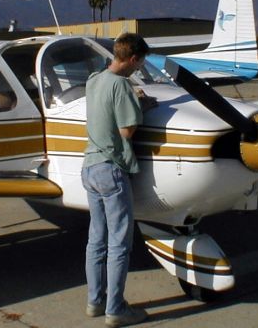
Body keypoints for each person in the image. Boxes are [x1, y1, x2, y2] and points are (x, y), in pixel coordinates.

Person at [81, 33, 155, 327]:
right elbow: (126, 131)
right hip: (111, 169)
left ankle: (94, 302)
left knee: (96, 240)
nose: (138, 69)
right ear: (134, 58)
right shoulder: (123, 85)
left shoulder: (94, 80)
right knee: (119, 243)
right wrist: (142, 106)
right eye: (140, 64)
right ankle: (116, 309)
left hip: (89, 167)